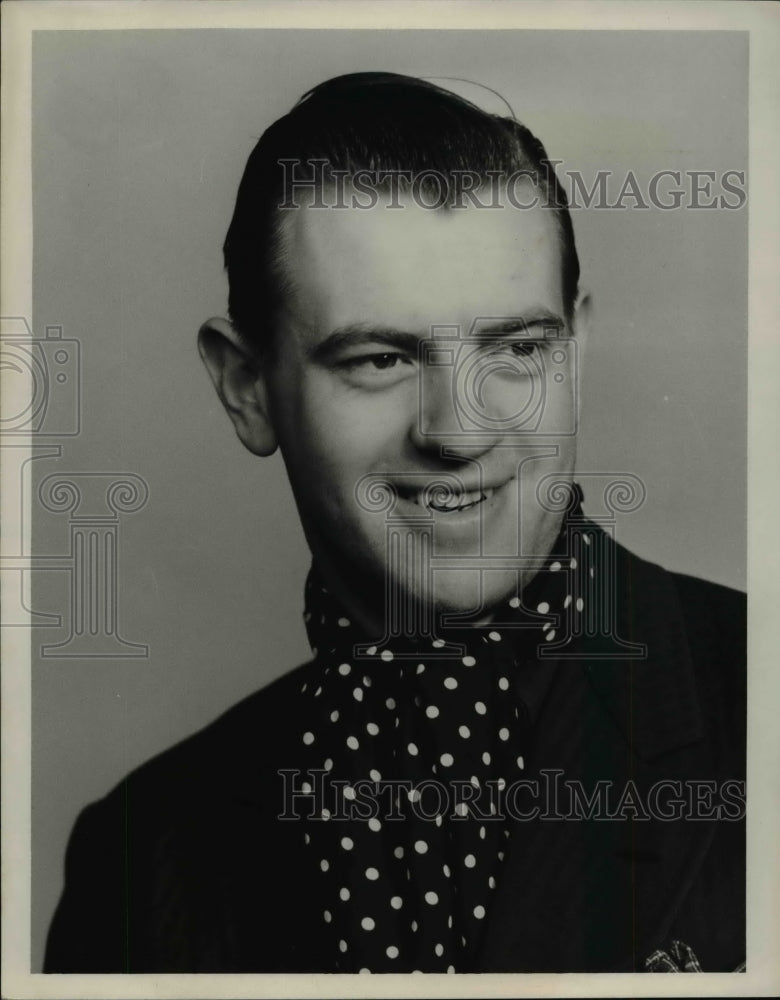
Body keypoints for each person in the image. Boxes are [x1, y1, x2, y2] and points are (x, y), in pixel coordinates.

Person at [44, 72, 745, 975]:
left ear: (577, 351)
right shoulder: (141, 859)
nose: (458, 431)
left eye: (517, 350)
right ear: (245, 387)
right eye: (380, 358)